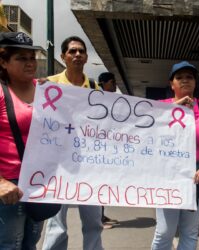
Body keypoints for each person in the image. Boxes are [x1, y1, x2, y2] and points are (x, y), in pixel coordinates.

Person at [151, 61, 199, 250]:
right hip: (168, 177)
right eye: (179, 77)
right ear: (172, 84)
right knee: (165, 231)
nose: (185, 80)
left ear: (195, 82)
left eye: (190, 77)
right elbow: (148, 130)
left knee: (190, 231)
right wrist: (175, 107)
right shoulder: (160, 106)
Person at [42, 36, 103, 250]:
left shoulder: (96, 89)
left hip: (89, 166)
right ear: (63, 56)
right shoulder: (47, 85)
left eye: (81, 51)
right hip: (57, 166)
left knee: (94, 221)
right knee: (55, 223)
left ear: (86, 57)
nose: (77, 54)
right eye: (72, 51)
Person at [0, 32, 44, 249]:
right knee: (9, 244)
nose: (29, 63)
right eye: (21, 58)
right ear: (3, 62)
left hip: (38, 183)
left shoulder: (45, 91)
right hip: (10, 187)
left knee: (31, 243)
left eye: (32, 57)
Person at [97, 71, 120, 229]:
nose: (115, 85)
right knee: (99, 185)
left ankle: (101, 216)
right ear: (106, 83)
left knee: (105, 184)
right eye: (113, 82)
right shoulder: (97, 99)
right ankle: (98, 220)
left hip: (108, 151)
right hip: (98, 152)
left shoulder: (112, 100)